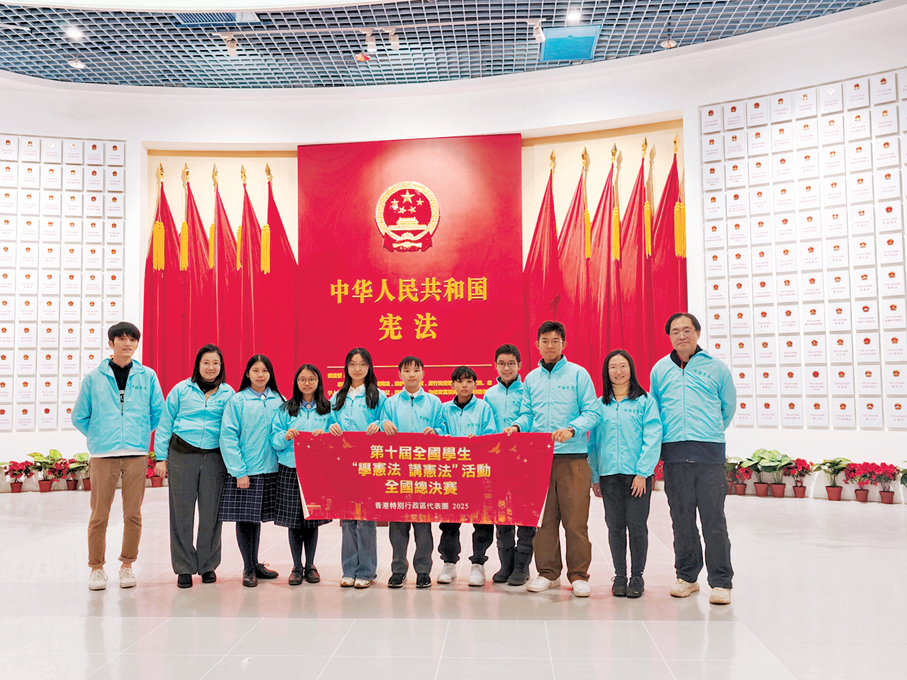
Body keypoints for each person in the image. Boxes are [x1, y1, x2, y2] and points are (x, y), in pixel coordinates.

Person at [504, 320, 600, 597]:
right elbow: (527, 414)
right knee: (544, 521)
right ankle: (548, 573)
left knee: (575, 521)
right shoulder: (531, 379)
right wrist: (518, 426)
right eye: (544, 341)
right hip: (540, 459)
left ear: (563, 344)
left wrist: (572, 429)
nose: (549, 345)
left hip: (573, 458)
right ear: (537, 345)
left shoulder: (578, 375)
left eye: (555, 341)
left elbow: (592, 412)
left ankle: (579, 575)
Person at [649, 312, 736, 605]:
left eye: (687, 330)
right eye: (675, 331)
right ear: (669, 337)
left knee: (714, 520)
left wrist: (708, 430)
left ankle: (721, 582)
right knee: (681, 520)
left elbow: (727, 407)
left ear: (698, 333)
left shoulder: (716, 368)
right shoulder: (660, 370)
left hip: (709, 453)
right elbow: (655, 409)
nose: (681, 335)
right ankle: (687, 577)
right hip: (674, 454)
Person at [72, 321, 164, 591]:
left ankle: (127, 565)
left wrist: (139, 433)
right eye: (122, 339)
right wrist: (99, 435)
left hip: (136, 453)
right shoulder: (94, 378)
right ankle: (96, 569)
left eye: (132, 339)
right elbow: (79, 416)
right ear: (111, 343)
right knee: (99, 515)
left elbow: (157, 412)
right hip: (103, 455)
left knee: (133, 514)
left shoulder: (148, 376)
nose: (127, 344)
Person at [154, 344, 234, 588]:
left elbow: (233, 427)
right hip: (182, 455)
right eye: (206, 362)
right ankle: (184, 568)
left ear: (221, 366)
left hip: (214, 458)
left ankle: (208, 565)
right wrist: (160, 458)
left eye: (215, 363)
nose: (211, 367)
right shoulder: (181, 390)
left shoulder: (228, 393)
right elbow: (165, 424)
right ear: (198, 365)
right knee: (181, 514)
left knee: (212, 514)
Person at [588, 349, 662, 598]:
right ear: (606, 372)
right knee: (615, 527)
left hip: (636, 476)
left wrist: (643, 473)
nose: (618, 371)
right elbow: (593, 443)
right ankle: (620, 575)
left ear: (631, 369)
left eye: (623, 366)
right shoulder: (600, 404)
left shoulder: (644, 401)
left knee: (637, 526)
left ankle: (637, 576)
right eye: (613, 367)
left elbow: (653, 436)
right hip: (609, 475)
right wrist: (595, 476)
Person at [219, 354, 285, 588]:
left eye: (265, 370)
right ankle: (248, 567)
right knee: (246, 519)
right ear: (247, 373)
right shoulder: (237, 401)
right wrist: (239, 471)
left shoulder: (279, 400)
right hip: (247, 471)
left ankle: (255, 563)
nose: (260, 375)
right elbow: (228, 437)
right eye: (255, 370)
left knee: (256, 519)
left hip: (272, 469)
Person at [381, 355, 443, 589]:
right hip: (397, 472)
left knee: (423, 526)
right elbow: (379, 427)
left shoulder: (434, 402)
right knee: (397, 525)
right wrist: (383, 424)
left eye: (416, 370)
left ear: (423, 373)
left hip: (425, 472)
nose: (411, 374)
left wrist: (436, 432)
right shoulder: (390, 404)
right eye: (407, 370)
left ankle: (423, 570)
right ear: (399, 375)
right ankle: (398, 569)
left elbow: (443, 428)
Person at [328, 348, 386, 589]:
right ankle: (349, 569)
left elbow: (385, 421)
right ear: (346, 367)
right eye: (352, 364)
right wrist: (331, 428)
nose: (357, 369)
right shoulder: (337, 397)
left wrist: (378, 424)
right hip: (344, 465)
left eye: (362, 364)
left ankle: (367, 571)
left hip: (369, 464)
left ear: (369, 367)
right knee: (347, 518)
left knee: (366, 519)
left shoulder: (378, 396)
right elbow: (329, 422)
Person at [270, 364, 332, 586]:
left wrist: (325, 435)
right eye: (302, 379)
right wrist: (285, 436)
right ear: (296, 382)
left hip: (316, 471)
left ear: (318, 382)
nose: (307, 383)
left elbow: (336, 436)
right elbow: (274, 440)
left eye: (311, 379)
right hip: (290, 468)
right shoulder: (286, 409)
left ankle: (311, 565)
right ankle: (297, 566)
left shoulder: (328, 408)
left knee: (311, 519)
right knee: (294, 521)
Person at [436, 365, 497, 587]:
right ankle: (449, 564)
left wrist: (478, 441)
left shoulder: (484, 408)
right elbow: (439, 432)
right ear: (453, 384)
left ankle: (478, 564)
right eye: (460, 381)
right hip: (451, 473)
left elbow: (491, 434)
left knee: (482, 520)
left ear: (475, 385)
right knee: (449, 520)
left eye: (469, 381)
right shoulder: (443, 409)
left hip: (477, 472)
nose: (464, 385)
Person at [483, 343, 536, 586]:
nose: (507, 368)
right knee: (501, 513)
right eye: (502, 364)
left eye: (511, 364)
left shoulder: (528, 391)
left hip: (524, 459)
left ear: (519, 366)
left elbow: (530, 417)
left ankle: (522, 567)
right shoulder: (489, 394)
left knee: (524, 514)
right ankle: (506, 565)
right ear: (495, 366)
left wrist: (517, 426)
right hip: (497, 461)